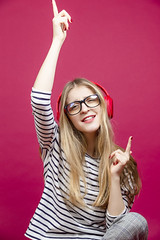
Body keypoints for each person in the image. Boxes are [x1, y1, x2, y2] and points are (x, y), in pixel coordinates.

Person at [25, 1, 148, 239]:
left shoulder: (122, 162)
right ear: (67, 118)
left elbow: (116, 228)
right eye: (74, 105)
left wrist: (114, 176)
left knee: (135, 220)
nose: (84, 109)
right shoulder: (55, 144)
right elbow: (39, 101)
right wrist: (56, 42)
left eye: (91, 100)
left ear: (104, 106)